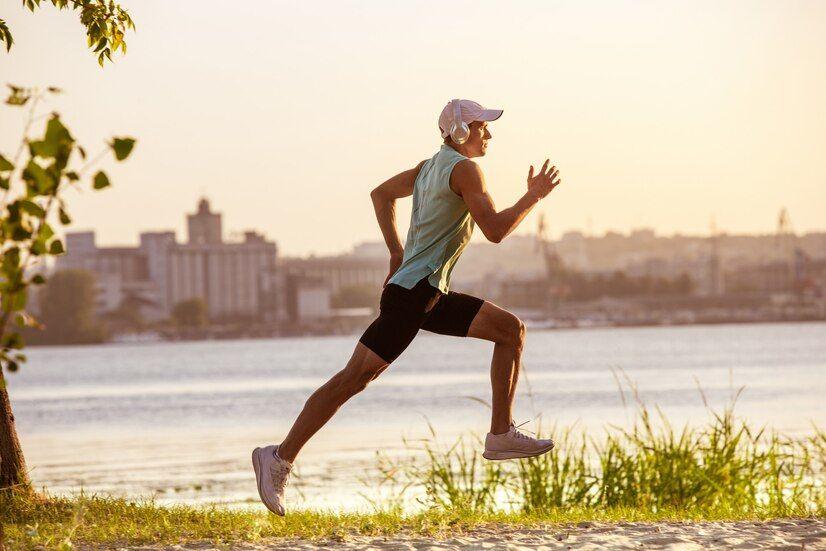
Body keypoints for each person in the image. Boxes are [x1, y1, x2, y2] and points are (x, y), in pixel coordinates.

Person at [252, 99, 562, 515]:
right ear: (460, 132)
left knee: (510, 330)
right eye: (481, 126)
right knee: (352, 380)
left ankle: (500, 433)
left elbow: (380, 195)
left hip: (427, 293)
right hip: (413, 295)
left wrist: (397, 253)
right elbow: (494, 230)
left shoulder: (427, 168)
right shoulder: (465, 170)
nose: (488, 134)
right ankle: (278, 458)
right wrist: (533, 196)